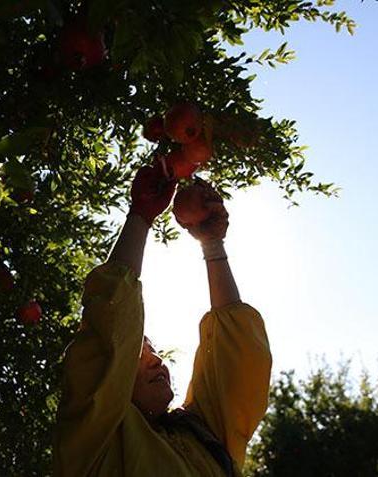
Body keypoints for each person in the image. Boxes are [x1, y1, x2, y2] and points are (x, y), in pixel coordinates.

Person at [53, 164, 272, 476]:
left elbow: (237, 358)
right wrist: (140, 216)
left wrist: (212, 245)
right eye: (137, 354)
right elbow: (110, 320)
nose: (157, 360)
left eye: (151, 350)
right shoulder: (94, 438)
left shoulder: (202, 435)